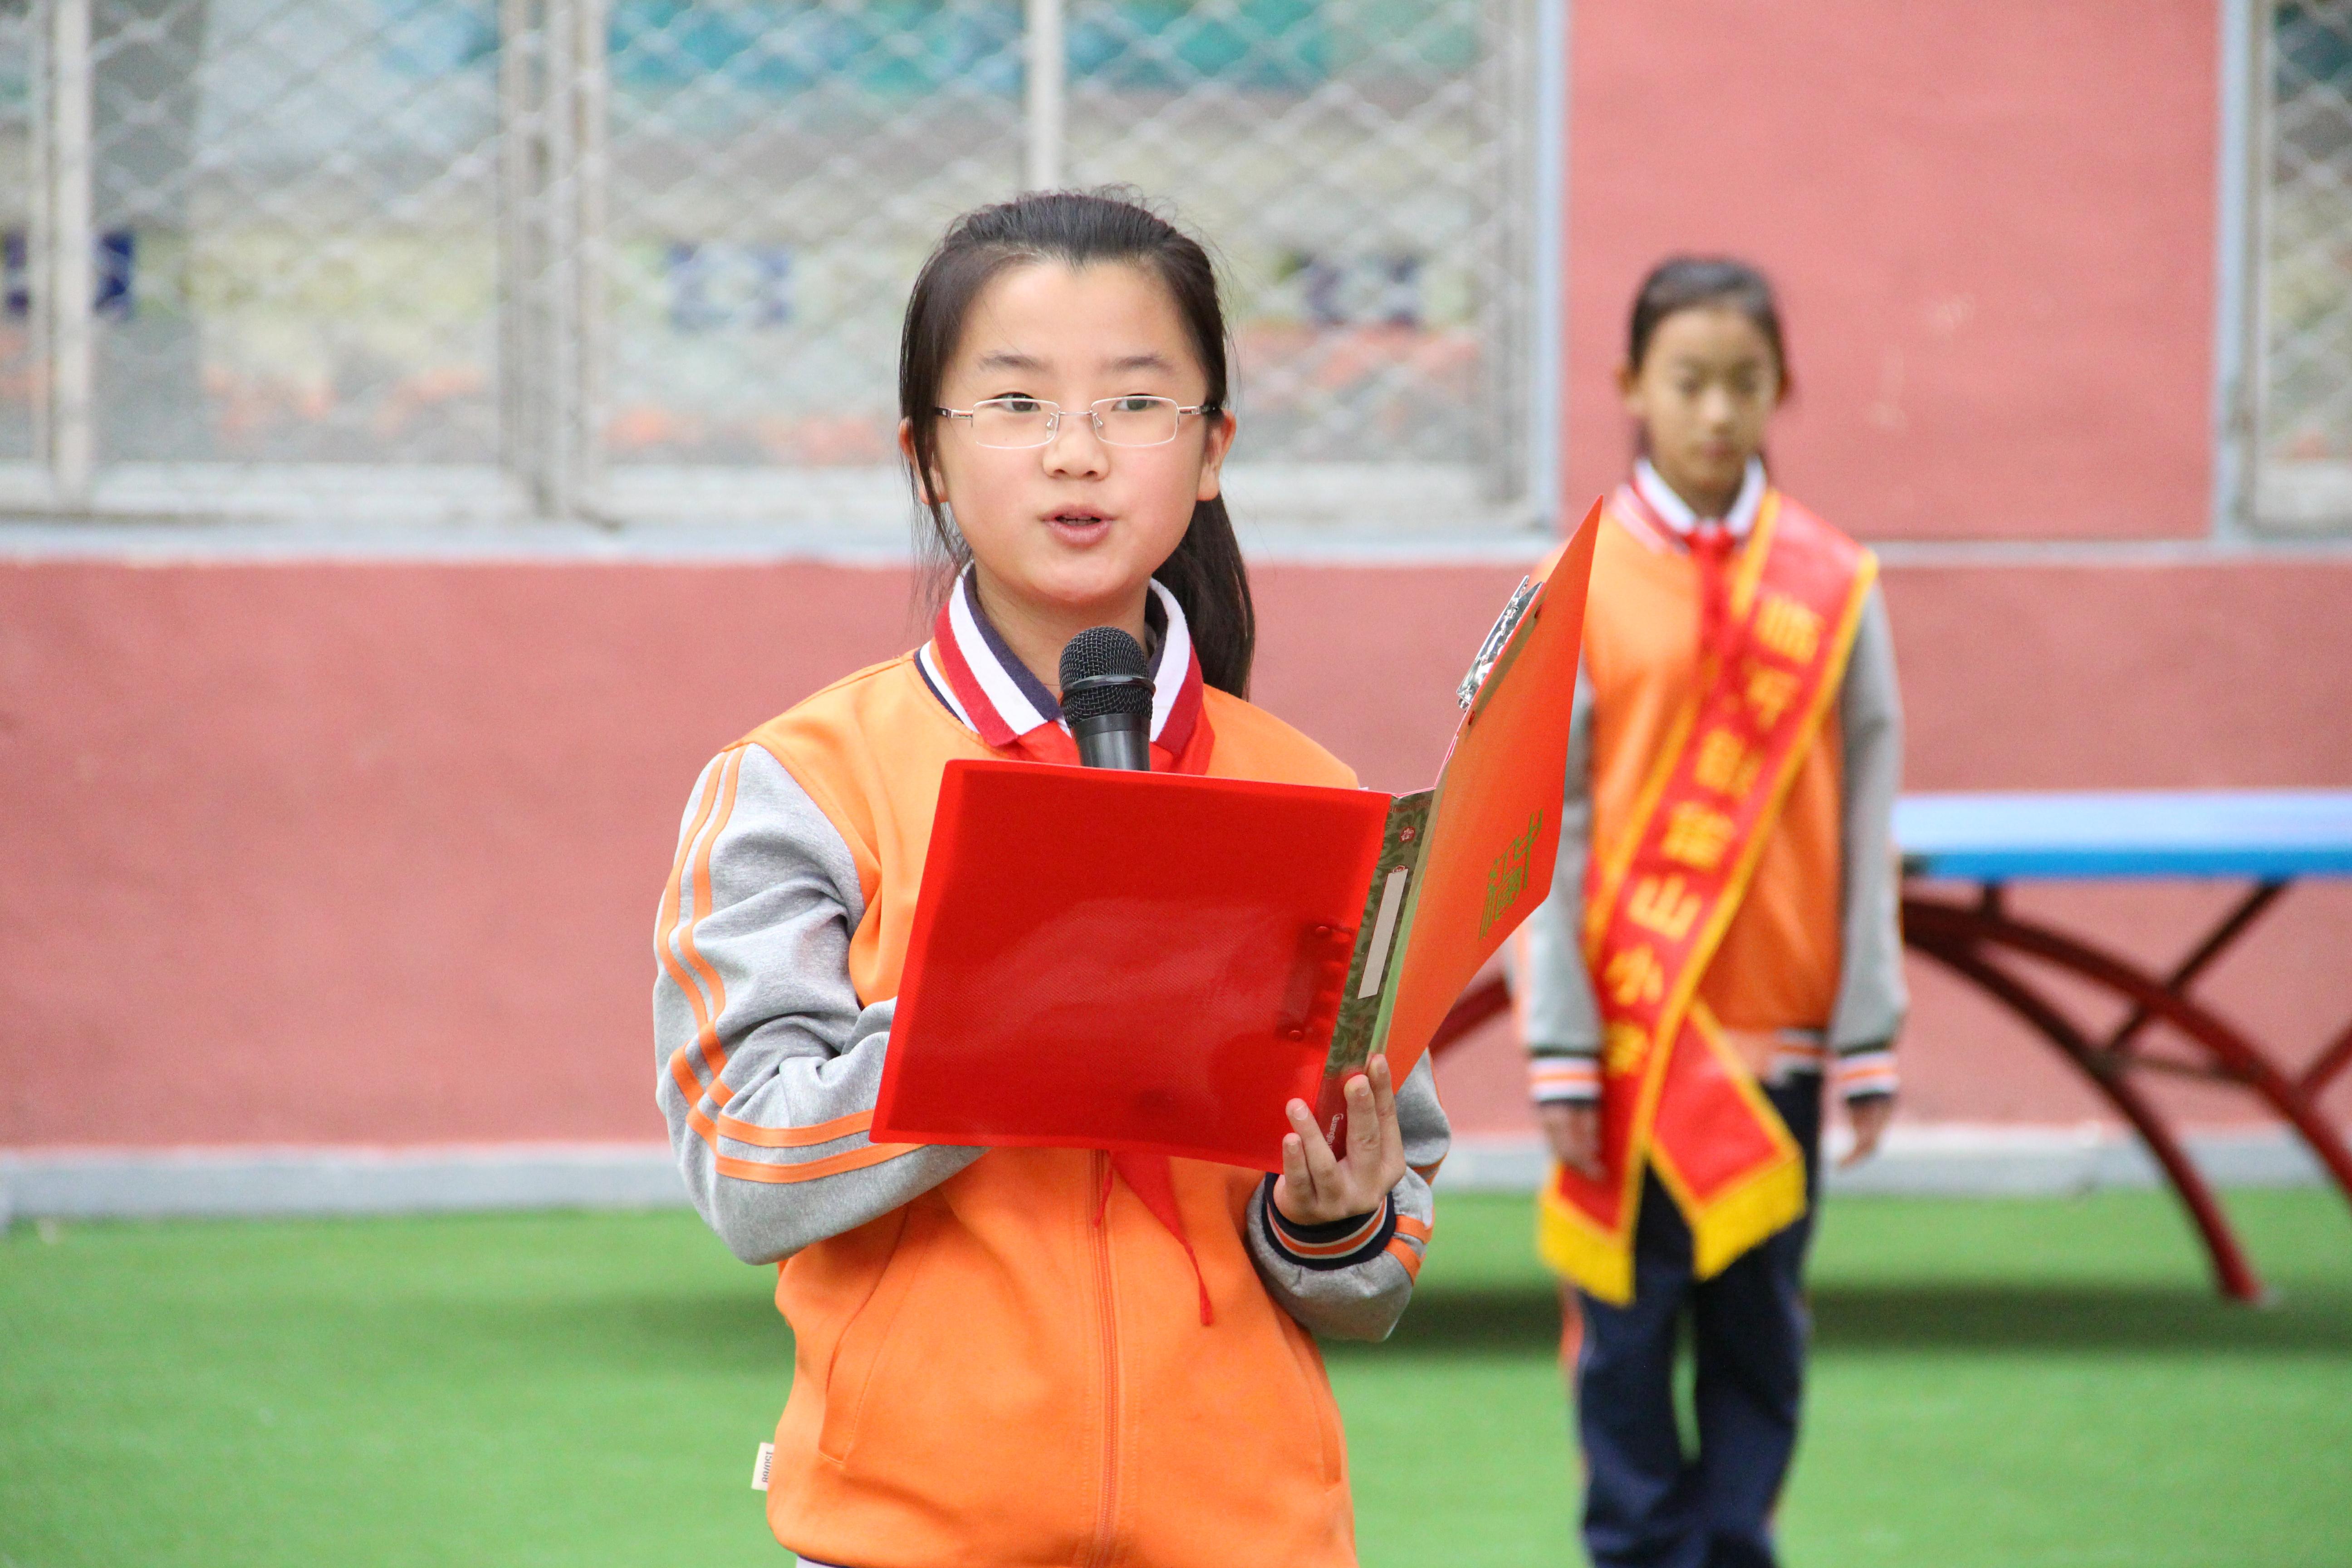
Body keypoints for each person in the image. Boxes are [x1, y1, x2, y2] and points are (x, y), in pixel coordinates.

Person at [652, 190, 1448, 1568]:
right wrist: (1017, 1012)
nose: (1077, 455)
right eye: (1013, 406)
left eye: (1138, 405)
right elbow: (750, 1164)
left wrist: (1335, 1220)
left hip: (1249, 1534)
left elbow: (1383, 1240)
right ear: (928, 463)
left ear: (1212, 452)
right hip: (906, 1538)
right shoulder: (804, 782)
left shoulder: (1317, 802)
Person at [1513, 256, 1905, 1568]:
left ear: (1782, 389)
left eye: (1745, 383)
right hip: (1628, 1044)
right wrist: (1560, 1043)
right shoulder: (1576, 580)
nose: (1717, 412)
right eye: (1688, 381)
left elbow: (1865, 814)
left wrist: (1869, 1030)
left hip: (1779, 1036)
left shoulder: (1834, 583)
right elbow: (1541, 824)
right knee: (1622, 1343)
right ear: (1631, 386)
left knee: (1759, 1340)